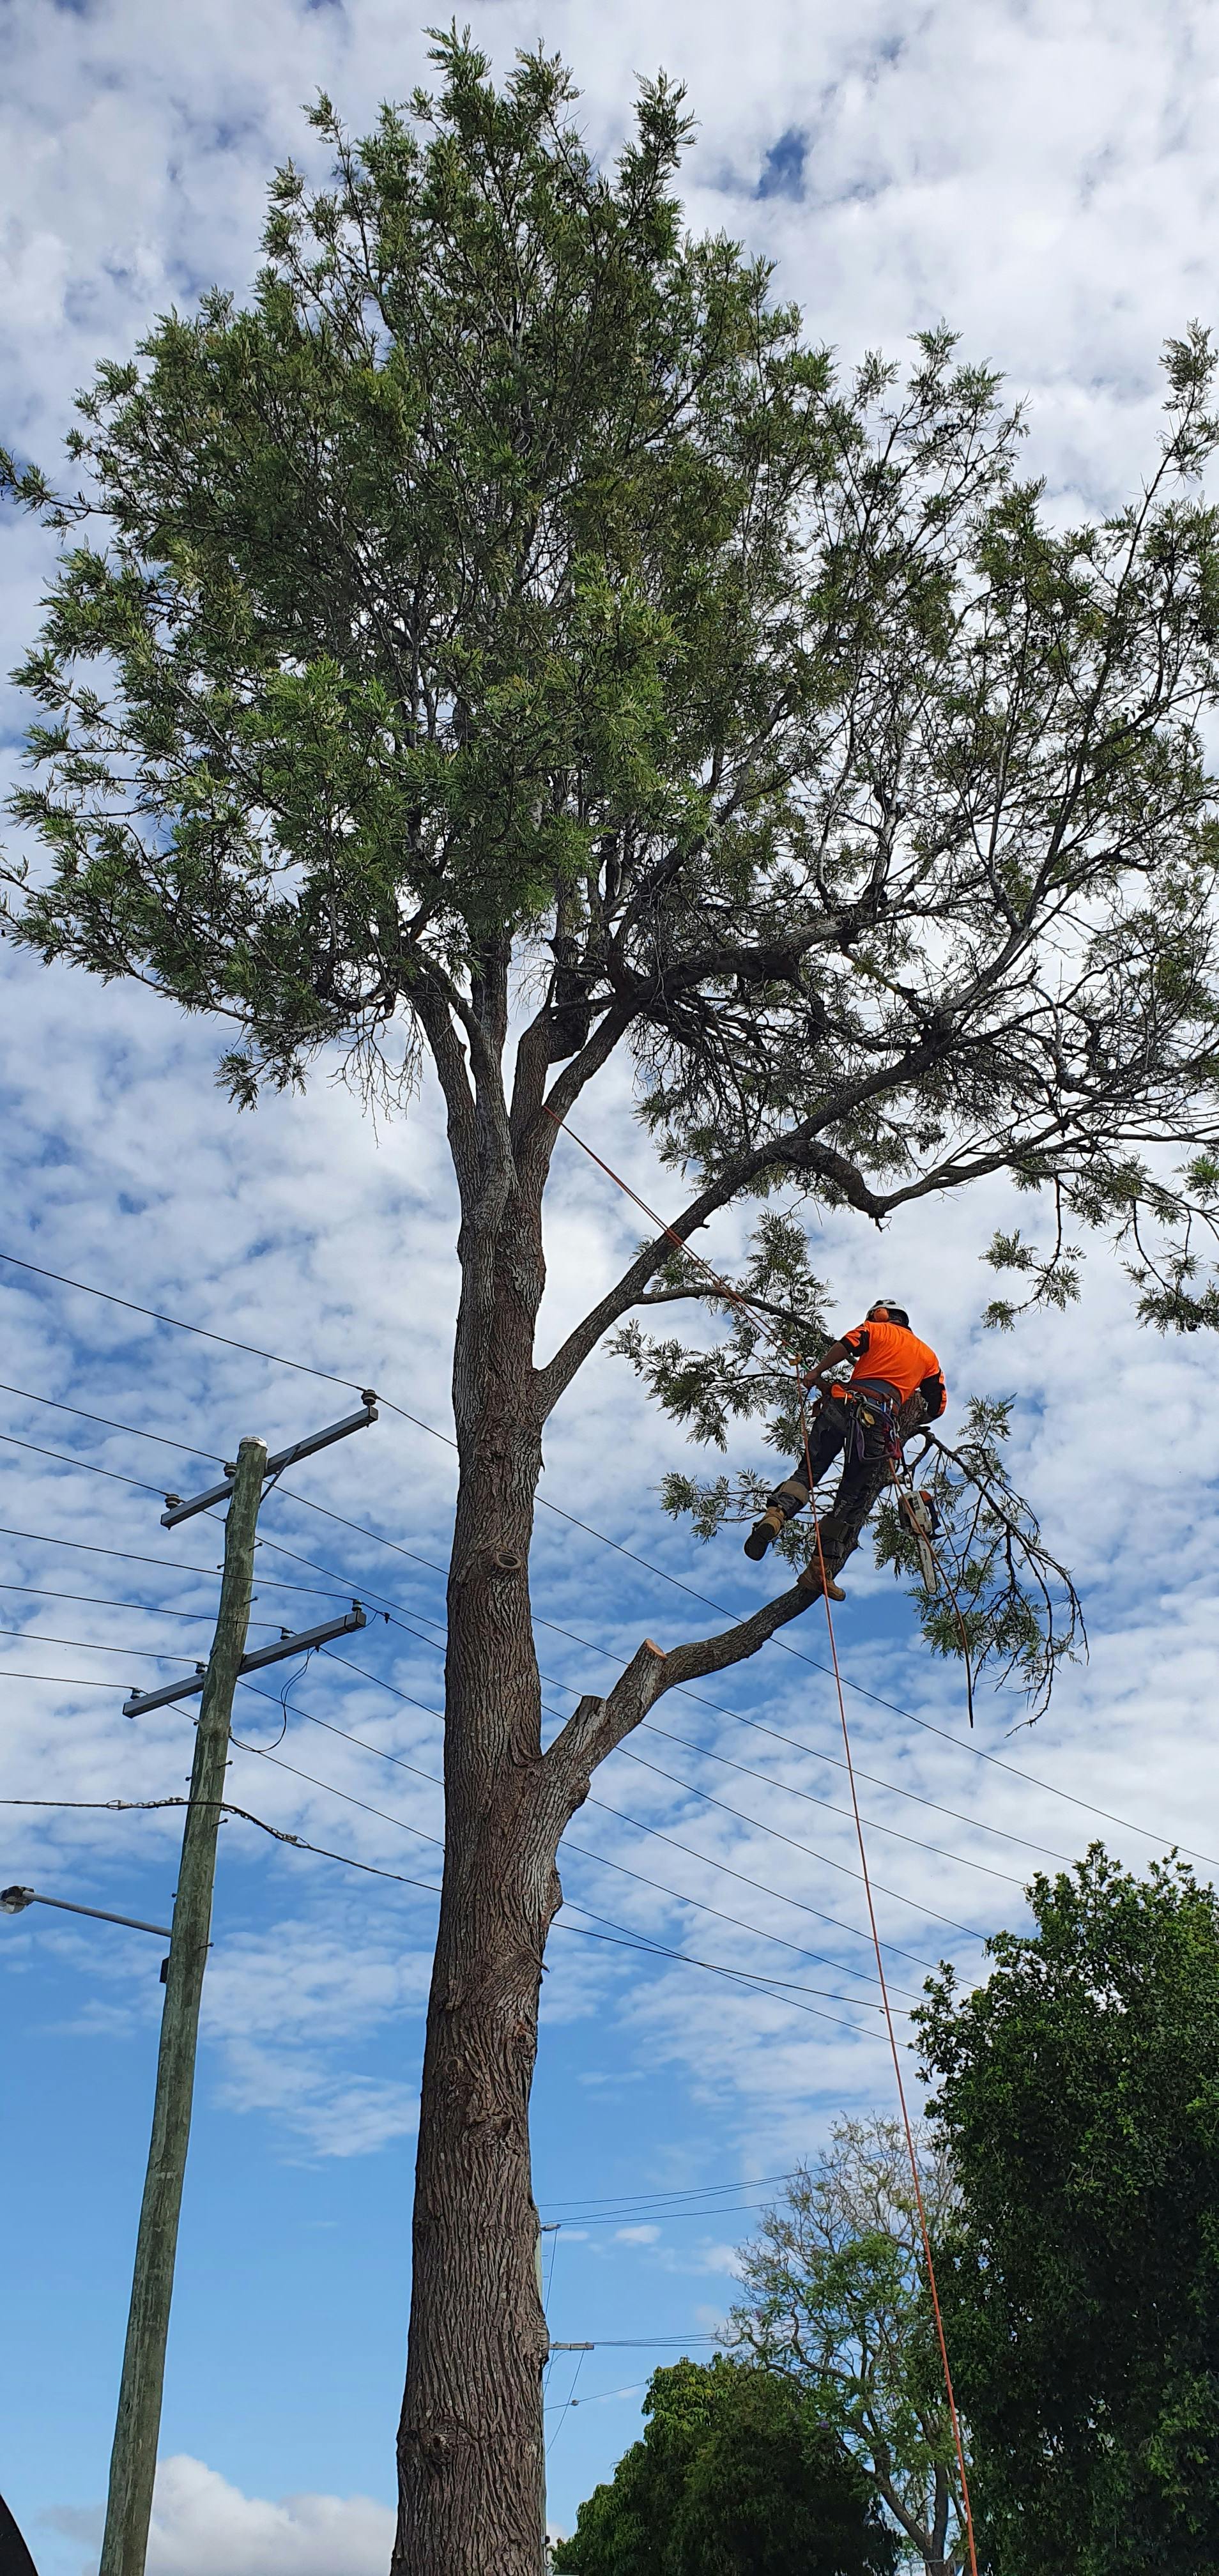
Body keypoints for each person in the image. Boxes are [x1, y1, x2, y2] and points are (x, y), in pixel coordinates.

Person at [744, 1300, 946, 1597]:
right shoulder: (929, 1357)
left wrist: (815, 1372)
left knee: (807, 1473)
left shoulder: (875, 1330)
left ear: (881, 1315)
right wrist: (906, 1418)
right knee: (850, 1498)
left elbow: (846, 1345)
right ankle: (819, 1568)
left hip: (842, 1404)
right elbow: (938, 1406)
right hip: (878, 1421)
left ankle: (775, 1517)